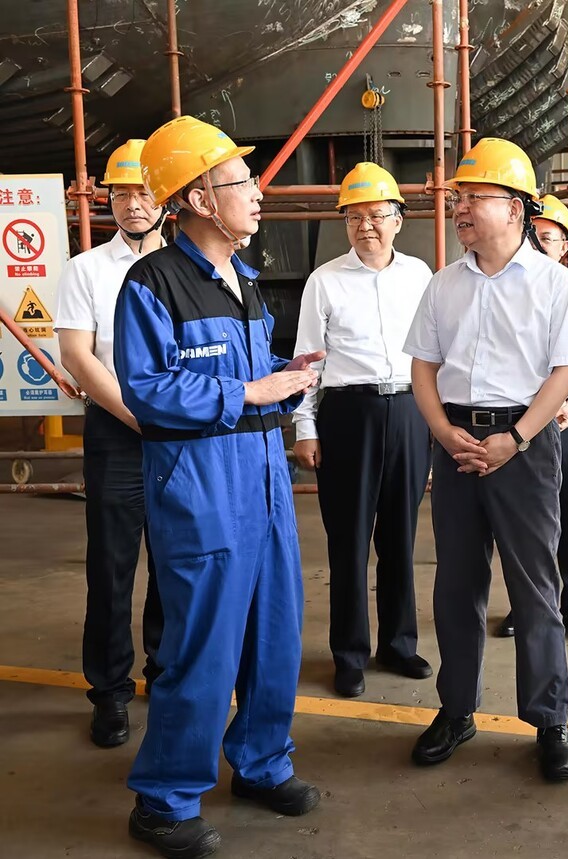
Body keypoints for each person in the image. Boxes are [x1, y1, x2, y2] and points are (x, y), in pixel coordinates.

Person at [113, 115, 324, 859]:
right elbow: (145, 389)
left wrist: (286, 377)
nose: (257, 193)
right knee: (202, 646)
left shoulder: (246, 280)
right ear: (200, 199)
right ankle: (164, 800)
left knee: (275, 633)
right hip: (201, 487)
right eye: (241, 181)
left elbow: (249, 376)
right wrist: (249, 391)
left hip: (263, 480)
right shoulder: (152, 284)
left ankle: (262, 763)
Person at [403, 138, 568, 781]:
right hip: (457, 445)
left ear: (516, 208)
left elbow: (566, 372)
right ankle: (456, 709)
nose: (460, 208)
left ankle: (550, 718)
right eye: (458, 198)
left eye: (474, 198)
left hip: (526, 446)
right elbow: (423, 367)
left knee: (535, 585)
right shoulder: (443, 285)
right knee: (456, 583)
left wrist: (515, 439)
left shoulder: (556, 286)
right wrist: (442, 431)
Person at [292, 162, 434, 698]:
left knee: (400, 536)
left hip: (410, 411)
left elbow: (435, 354)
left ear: (398, 219)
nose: (365, 225)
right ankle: (349, 654)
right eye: (353, 217)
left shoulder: (420, 276)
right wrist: (305, 427)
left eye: (376, 215)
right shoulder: (324, 280)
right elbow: (307, 362)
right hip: (348, 415)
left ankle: (399, 643)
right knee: (348, 542)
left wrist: (437, 421)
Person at [55, 139, 167, 749]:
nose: (132, 204)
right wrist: (139, 418)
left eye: (143, 192)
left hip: (179, 432)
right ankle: (110, 692)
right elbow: (78, 354)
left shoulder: (186, 265)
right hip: (117, 431)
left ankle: (165, 672)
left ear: (164, 198)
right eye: (121, 193)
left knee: (175, 561)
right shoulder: (87, 269)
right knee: (111, 566)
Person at [495, 194, 568, 643]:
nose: (538, 244)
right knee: (523, 518)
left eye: (547, 237)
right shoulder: (508, 291)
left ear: (565, 245)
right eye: (532, 235)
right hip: (518, 419)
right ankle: (525, 603)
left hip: (564, 419)